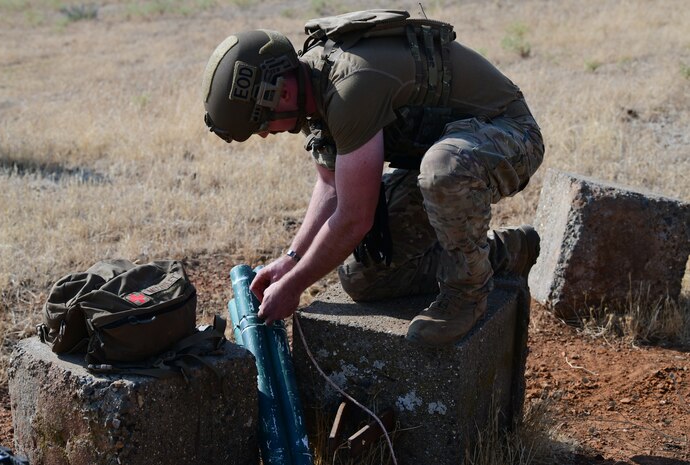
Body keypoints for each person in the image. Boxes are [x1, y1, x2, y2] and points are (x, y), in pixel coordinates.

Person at [201, 10, 545, 347]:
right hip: (442, 157)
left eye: (261, 125)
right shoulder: (311, 87)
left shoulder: (350, 87)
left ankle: (467, 294)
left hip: (509, 135)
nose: (264, 135)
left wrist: (294, 287)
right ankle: (503, 251)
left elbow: (355, 218)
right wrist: (289, 262)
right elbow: (332, 188)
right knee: (364, 277)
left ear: (282, 93)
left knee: (444, 170)